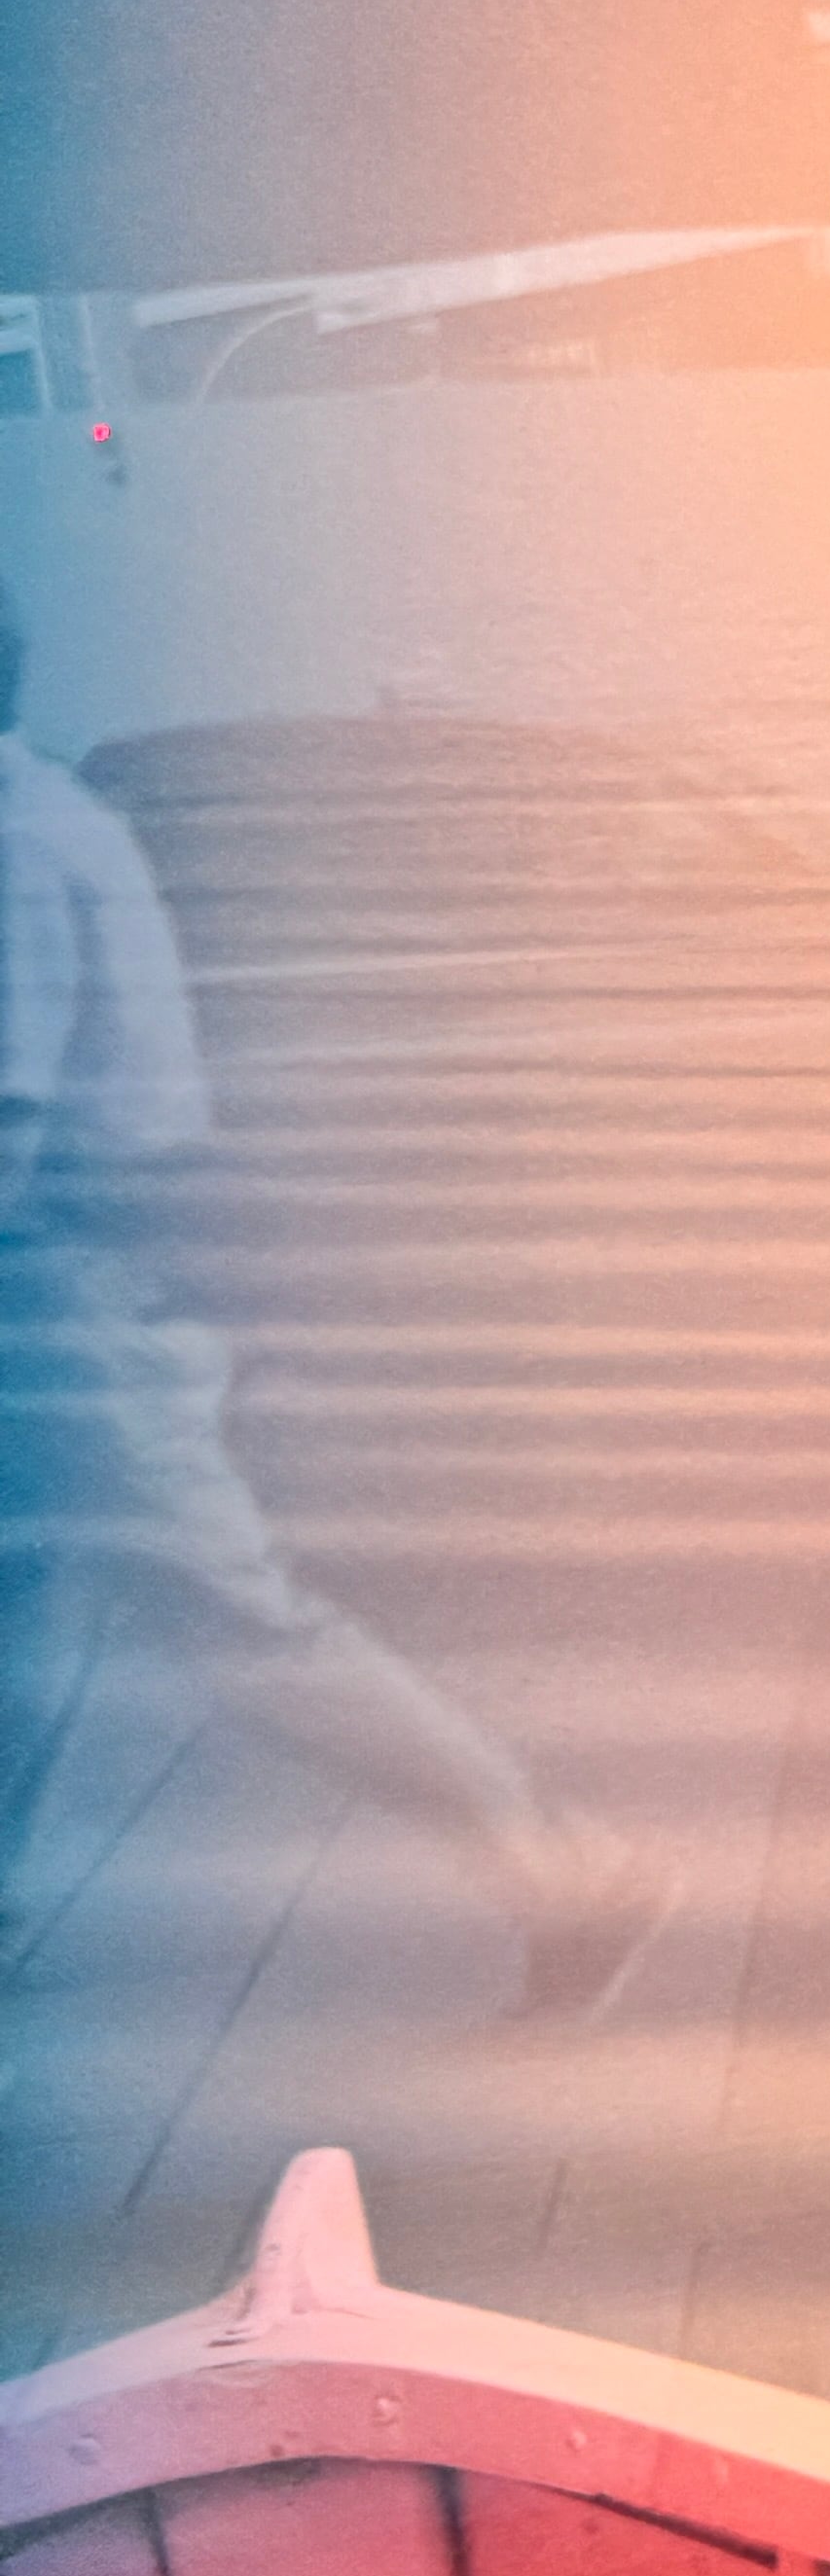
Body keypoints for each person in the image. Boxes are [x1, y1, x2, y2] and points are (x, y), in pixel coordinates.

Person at [0, 589, 667, 2017]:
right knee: (38, 1645)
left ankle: (570, 1873)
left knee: (242, 1631)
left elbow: (8, 1117)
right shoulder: (47, 819)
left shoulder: (13, 844)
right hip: (74, 1302)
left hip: (66, 1313)